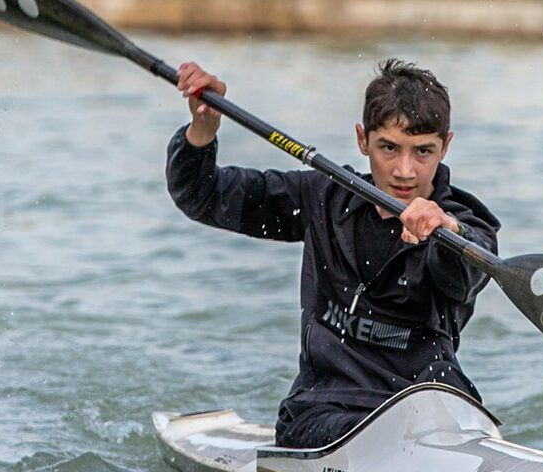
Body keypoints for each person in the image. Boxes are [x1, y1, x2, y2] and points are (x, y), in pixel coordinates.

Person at [166, 57, 500, 449]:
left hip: (432, 407)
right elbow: (202, 196)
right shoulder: (321, 199)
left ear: (446, 146)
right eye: (388, 148)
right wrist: (202, 132)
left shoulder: (466, 227)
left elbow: (466, 273)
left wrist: (447, 232)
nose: (405, 170)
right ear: (363, 140)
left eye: (422, 151)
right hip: (325, 409)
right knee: (369, 436)